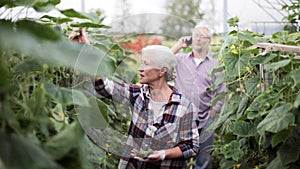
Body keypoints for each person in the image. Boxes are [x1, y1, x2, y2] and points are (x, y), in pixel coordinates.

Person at [93, 45, 200, 169]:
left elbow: (191, 146)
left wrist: (163, 154)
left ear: (162, 71)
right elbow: (104, 86)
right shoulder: (138, 94)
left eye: (146, 64)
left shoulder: (184, 107)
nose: (140, 69)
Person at [171, 25, 226, 169]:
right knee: (176, 158)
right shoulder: (179, 59)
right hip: (181, 117)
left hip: (206, 118)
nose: (198, 39)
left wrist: (213, 113)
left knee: (204, 161)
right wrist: (178, 46)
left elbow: (222, 91)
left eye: (203, 36)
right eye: (196, 35)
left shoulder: (215, 64)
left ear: (209, 41)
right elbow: (159, 63)